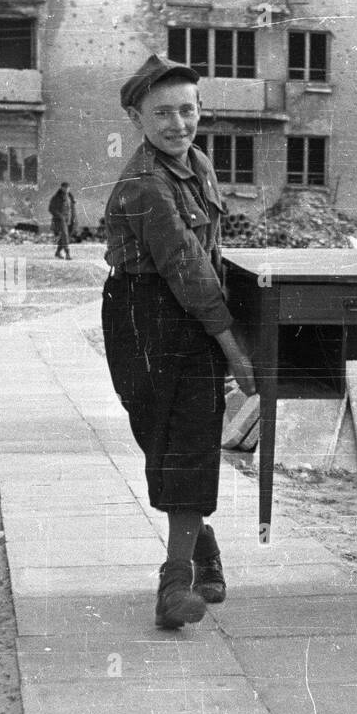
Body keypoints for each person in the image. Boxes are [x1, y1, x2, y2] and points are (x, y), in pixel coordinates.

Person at [102, 54, 256, 629]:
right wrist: (235, 347)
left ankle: (174, 583)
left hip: (191, 315)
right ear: (136, 118)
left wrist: (225, 331)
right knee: (160, 439)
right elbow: (183, 262)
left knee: (189, 439)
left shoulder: (199, 163)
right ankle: (200, 541)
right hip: (140, 316)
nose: (177, 124)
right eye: (161, 113)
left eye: (187, 110)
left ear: (201, 111)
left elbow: (206, 259)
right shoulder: (144, 182)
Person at [49, 182, 77, 259]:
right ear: (61, 188)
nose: (66, 189)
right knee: (65, 235)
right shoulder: (56, 197)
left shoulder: (70, 197)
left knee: (66, 235)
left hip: (70, 219)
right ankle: (67, 253)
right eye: (65, 187)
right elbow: (51, 209)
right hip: (60, 220)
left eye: (68, 188)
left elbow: (72, 209)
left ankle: (58, 252)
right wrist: (60, 216)